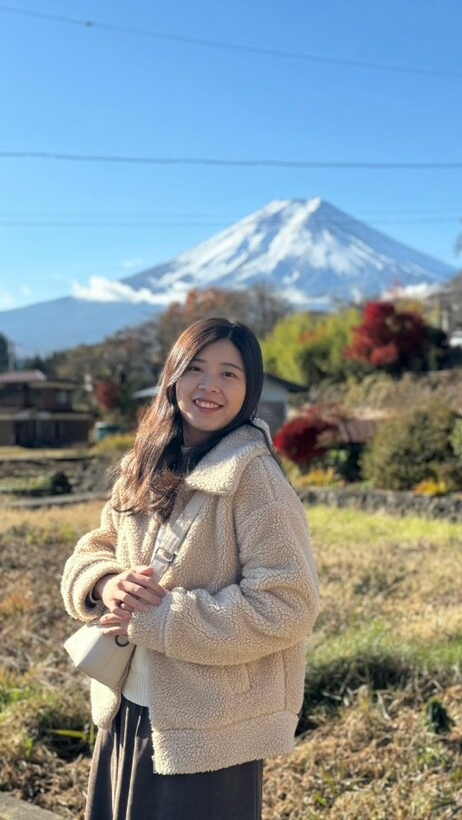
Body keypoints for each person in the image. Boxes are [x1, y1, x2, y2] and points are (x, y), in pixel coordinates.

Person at [61, 318, 320, 820]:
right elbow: (99, 544)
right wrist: (107, 583)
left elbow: (289, 605)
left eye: (230, 374)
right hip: (127, 709)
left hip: (207, 729)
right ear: (173, 375)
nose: (210, 386)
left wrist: (155, 618)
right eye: (196, 368)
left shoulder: (255, 478)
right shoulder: (148, 458)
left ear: (249, 391)